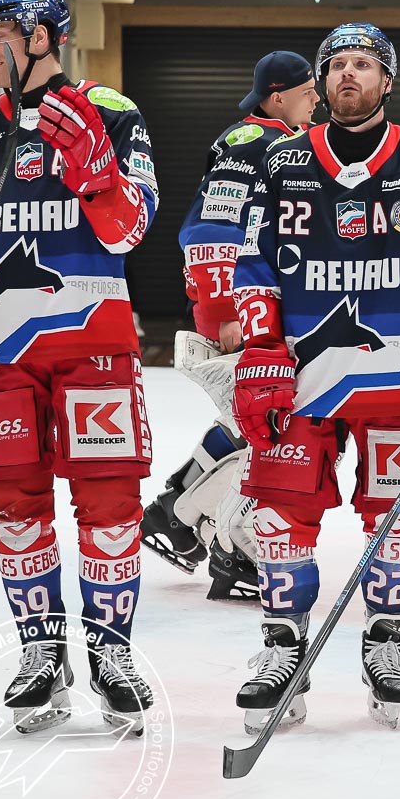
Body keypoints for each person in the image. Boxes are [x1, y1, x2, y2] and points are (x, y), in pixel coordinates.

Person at [228, 23, 400, 734]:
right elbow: (253, 265)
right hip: (303, 379)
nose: (349, 74)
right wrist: (260, 349)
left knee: (399, 519)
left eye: (364, 64)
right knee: (280, 515)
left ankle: (384, 643)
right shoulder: (280, 161)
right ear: (321, 83)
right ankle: (283, 648)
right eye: (337, 64)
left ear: (387, 80)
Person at [0, 0, 155, 733]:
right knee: (13, 506)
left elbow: (131, 232)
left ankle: (112, 654)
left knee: (110, 506)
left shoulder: (112, 112)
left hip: (93, 343)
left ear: (42, 36)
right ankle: (41, 651)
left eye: (1, 36)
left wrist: (97, 172)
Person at [142, 51, 319, 599]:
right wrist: (227, 311)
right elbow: (211, 227)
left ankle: (176, 510)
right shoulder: (253, 142)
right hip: (239, 311)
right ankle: (234, 545)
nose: (317, 98)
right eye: (309, 90)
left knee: (249, 421)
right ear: (278, 96)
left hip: (253, 306)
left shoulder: (274, 139)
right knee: (274, 427)